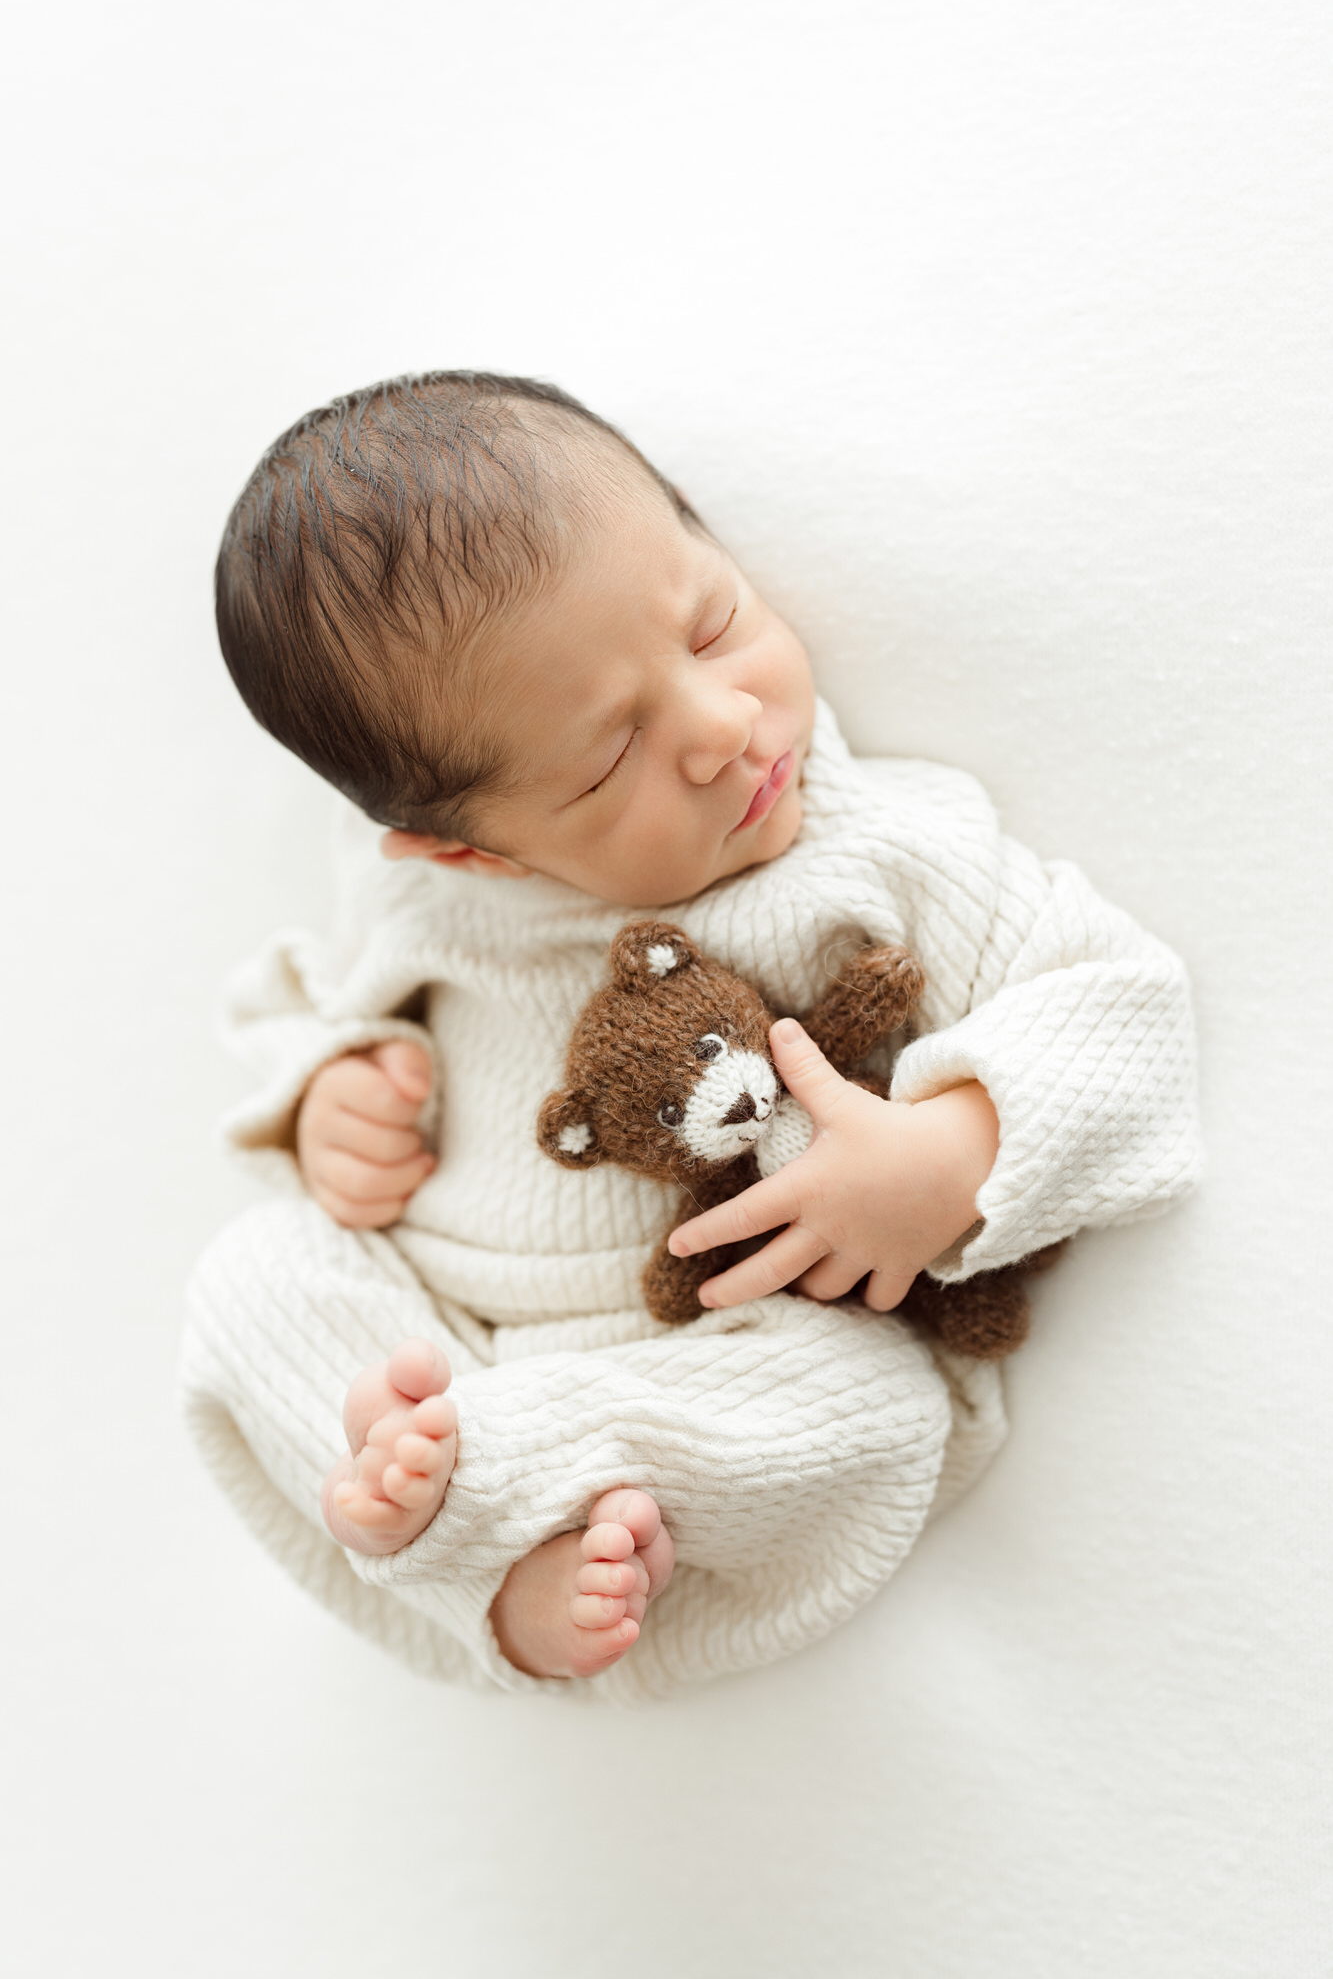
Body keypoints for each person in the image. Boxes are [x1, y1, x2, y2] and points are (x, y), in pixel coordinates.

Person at [180, 371, 1200, 1701]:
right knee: (252, 1277)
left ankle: (498, 1508)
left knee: (871, 1407)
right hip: (444, 1330)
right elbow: (300, 1000)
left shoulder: (881, 851)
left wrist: (950, 1157)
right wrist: (325, 1096)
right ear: (471, 850)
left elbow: (1119, 1009)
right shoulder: (424, 903)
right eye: (610, 759)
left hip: (707, 1380)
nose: (724, 727)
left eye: (714, 625)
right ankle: (477, 1547)